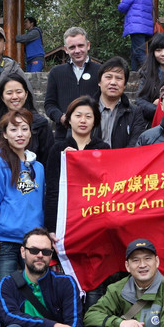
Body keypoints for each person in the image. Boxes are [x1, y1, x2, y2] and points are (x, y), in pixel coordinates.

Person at [0, 108, 45, 284]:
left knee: (36, 293)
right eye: (13, 129)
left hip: (34, 242)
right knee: (7, 292)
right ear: (4, 134)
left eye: (24, 129)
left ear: (30, 133)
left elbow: (41, 204)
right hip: (5, 242)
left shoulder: (38, 167)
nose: (20, 134)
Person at [43, 96, 110, 235]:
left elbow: (107, 186)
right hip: (66, 218)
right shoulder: (58, 149)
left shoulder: (104, 149)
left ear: (95, 121)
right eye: (78, 116)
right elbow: (52, 191)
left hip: (95, 218)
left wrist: (82, 161)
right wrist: (51, 228)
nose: (83, 120)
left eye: (88, 116)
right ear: (69, 119)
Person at [44, 26, 101, 137]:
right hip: (64, 135)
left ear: (88, 45)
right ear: (66, 49)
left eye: (80, 45)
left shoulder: (100, 71)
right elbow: (49, 104)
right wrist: (61, 117)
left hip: (94, 135)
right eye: (72, 47)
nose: (77, 51)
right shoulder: (56, 72)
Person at [0, 74, 55, 160]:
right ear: (2, 97)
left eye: (19, 92)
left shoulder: (40, 124)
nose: (14, 97)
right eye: (9, 93)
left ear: (26, 94)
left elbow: (49, 158)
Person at [92, 56, 145, 149]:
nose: (113, 82)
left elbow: (136, 144)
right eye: (108, 77)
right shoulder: (86, 109)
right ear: (99, 82)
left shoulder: (134, 113)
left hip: (124, 158)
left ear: (124, 85)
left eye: (118, 78)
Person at [135, 32, 164, 121]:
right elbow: (139, 101)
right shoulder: (147, 72)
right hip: (154, 121)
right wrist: (160, 109)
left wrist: (161, 103)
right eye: (158, 50)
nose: (163, 54)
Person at [118, 0, 155, 71]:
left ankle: (150, 72)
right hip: (146, 28)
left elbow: (121, 8)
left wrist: (122, 1)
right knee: (134, 52)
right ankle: (134, 72)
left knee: (139, 52)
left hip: (136, 27)